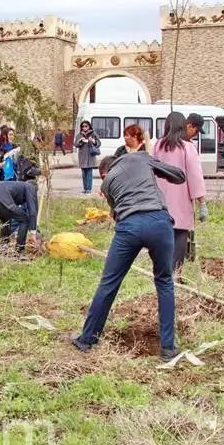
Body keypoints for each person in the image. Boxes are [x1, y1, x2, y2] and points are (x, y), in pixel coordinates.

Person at [71, 153, 186, 361]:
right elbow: (179, 176)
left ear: (105, 171)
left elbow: (115, 215)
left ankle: (87, 339)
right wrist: (156, 168)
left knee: (109, 283)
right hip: (160, 222)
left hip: (129, 227)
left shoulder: (107, 185)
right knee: (165, 282)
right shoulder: (140, 158)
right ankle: (168, 348)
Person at [152, 112, 208, 272]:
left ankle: (162, 272)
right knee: (180, 237)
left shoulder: (157, 145)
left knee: (163, 239)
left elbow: (151, 170)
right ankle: (175, 273)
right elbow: (195, 176)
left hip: (160, 201)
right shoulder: (187, 148)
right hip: (181, 201)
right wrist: (202, 202)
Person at [0, 166, 41, 255]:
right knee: (24, 220)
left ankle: (4, 247)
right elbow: (32, 212)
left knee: (6, 220)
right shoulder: (30, 187)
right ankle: (19, 250)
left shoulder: (17, 185)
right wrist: (33, 232)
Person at [74, 120, 100, 194]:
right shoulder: (79, 135)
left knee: (89, 172)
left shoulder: (93, 134)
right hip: (82, 156)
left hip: (90, 155)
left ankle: (89, 189)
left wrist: (93, 141)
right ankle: (85, 188)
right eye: (83, 126)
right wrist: (80, 141)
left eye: (86, 126)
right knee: (84, 173)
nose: (84, 128)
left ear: (89, 126)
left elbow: (98, 143)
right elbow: (75, 144)